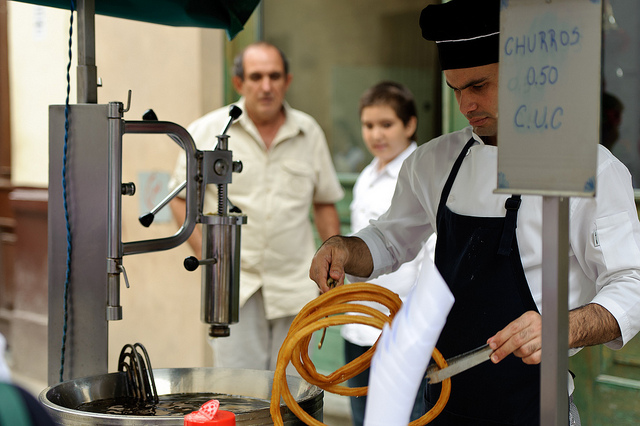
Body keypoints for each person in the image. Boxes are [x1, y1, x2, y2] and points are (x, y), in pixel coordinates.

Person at [308, 1, 640, 425]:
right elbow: (389, 240)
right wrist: (342, 248)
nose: (466, 105)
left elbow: (631, 284)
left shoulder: (590, 168)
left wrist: (560, 328)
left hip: (536, 408)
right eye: (455, 89)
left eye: (479, 86)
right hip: (442, 405)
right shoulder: (432, 163)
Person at [170, 41, 344, 373]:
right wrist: (211, 260)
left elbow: (324, 203)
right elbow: (180, 200)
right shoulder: (209, 131)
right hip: (235, 289)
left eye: (274, 76)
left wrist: (334, 266)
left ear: (287, 81)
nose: (266, 86)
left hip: (296, 286)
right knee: (239, 389)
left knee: (293, 389)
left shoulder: (308, 132)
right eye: (256, 76)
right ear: (239, 82)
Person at [341, 81, 433, 425]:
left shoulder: (424, 174)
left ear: (410, 125)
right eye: (368, 125)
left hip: (401, 330)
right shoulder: (367, 175)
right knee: (363, 417)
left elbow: (432, 261)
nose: (376, 134)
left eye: (386, 124)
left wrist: (414, 325)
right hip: (358, 325)